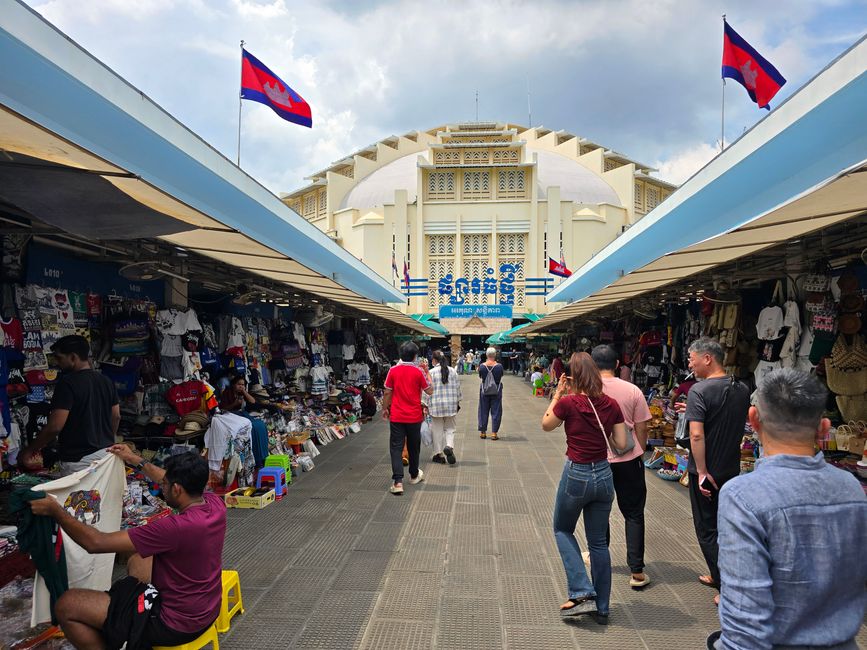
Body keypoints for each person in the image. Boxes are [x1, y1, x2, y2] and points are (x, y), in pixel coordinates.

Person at [707, 369, 867, 650]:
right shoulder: (851, 488)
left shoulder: (742, 496)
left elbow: (746, 628)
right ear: (824, 427)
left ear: (753, 419)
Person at [28, 449, 226, 648]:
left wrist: (57, 511)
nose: (161, 486)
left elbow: (95, 543)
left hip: (173, 624)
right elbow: (168, 480)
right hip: (206, 609)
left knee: (66, 605)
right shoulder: (215, 504)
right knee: (139, 556)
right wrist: (135, 460)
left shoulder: (175, 527)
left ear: (176, 489)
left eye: (164, 485)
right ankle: (122, 622)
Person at [541, 352, 629, 623]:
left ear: (572, 377)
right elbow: (622, 444)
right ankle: (602, 608)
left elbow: (546, 425)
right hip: (604, 475)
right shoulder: (611, 404)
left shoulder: (568, 403)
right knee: (599, 543)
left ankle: (581, 590)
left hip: (577, 473)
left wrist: (558, 393)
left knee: (562, 529)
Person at [676, 337, 749, 603]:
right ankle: (718, 575)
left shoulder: (700, 390)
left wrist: (702, 471)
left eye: (692, 358)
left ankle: (726, 588)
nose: (690, 364)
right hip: (731, 467)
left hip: (708, 472)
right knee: (727, 526)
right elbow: (722, 417)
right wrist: (693, 411)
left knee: (707, 529)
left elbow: (696, 436)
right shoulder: (741, 387)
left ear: (707, 358)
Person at [591, 345, 652, 589]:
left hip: (597, 460)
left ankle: (598, 559)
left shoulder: (587, 391)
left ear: (593, 365)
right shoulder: (633, 390)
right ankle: (636, 572)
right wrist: (640, 452)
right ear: (617, 364)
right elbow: (642, 426)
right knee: (634, 513)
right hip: (629, 459)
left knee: (599, 511)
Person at [19, 335, 120, 475]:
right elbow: (116, 416)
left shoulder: (67, 384)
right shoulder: (106, 381)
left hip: (78, 461)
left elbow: (55, 426)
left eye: (60, 358)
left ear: (73, 357)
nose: (57, 362)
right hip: (106, 455)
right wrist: (107, 440)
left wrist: (31, 450)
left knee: (78, 497)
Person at [382, 341, 434, 495]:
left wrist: (385, 408)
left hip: (397, 415)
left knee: (396, 448)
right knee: (413, 446)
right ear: (414, 356)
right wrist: (427, 373)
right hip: (414, 416)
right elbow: (430, 390)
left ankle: (398, 482)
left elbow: (387, 392)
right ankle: (413, 475)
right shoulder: (418, 372)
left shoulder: (393, 370)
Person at [219, 374, 269, 467]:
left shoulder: (242, 392)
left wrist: (245, 392)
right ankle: (256, 458)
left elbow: (253, 401)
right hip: (231, 415)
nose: (241, 386)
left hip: (242, 414)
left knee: (261, 425)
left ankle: (264, 455)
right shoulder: (227, 392)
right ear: (234, 384)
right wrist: (234, 404)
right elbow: (224, 408)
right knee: (252, 427)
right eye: (239, 384)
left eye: (243, 384)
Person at [427, 350, 461, 465]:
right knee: (450, 429)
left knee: (437, 431)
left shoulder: (430, 372)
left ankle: (439, 454)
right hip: (451, 405)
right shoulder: (452, 371)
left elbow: (426, 391)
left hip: (436, 406)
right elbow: (458, 389)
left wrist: (424, 404)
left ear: (434, 360)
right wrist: (457, 402)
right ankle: (449, 446)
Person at [478, 347, 504, 440]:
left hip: (484, 390)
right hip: (496, 390)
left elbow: (481, 376)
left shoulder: (482, 366)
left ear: (486, 355)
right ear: (495, 355)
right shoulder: (499, 366)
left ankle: (483, 432)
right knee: (496, 411)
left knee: (483, 410)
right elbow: (501, 375)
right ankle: (494, 433)